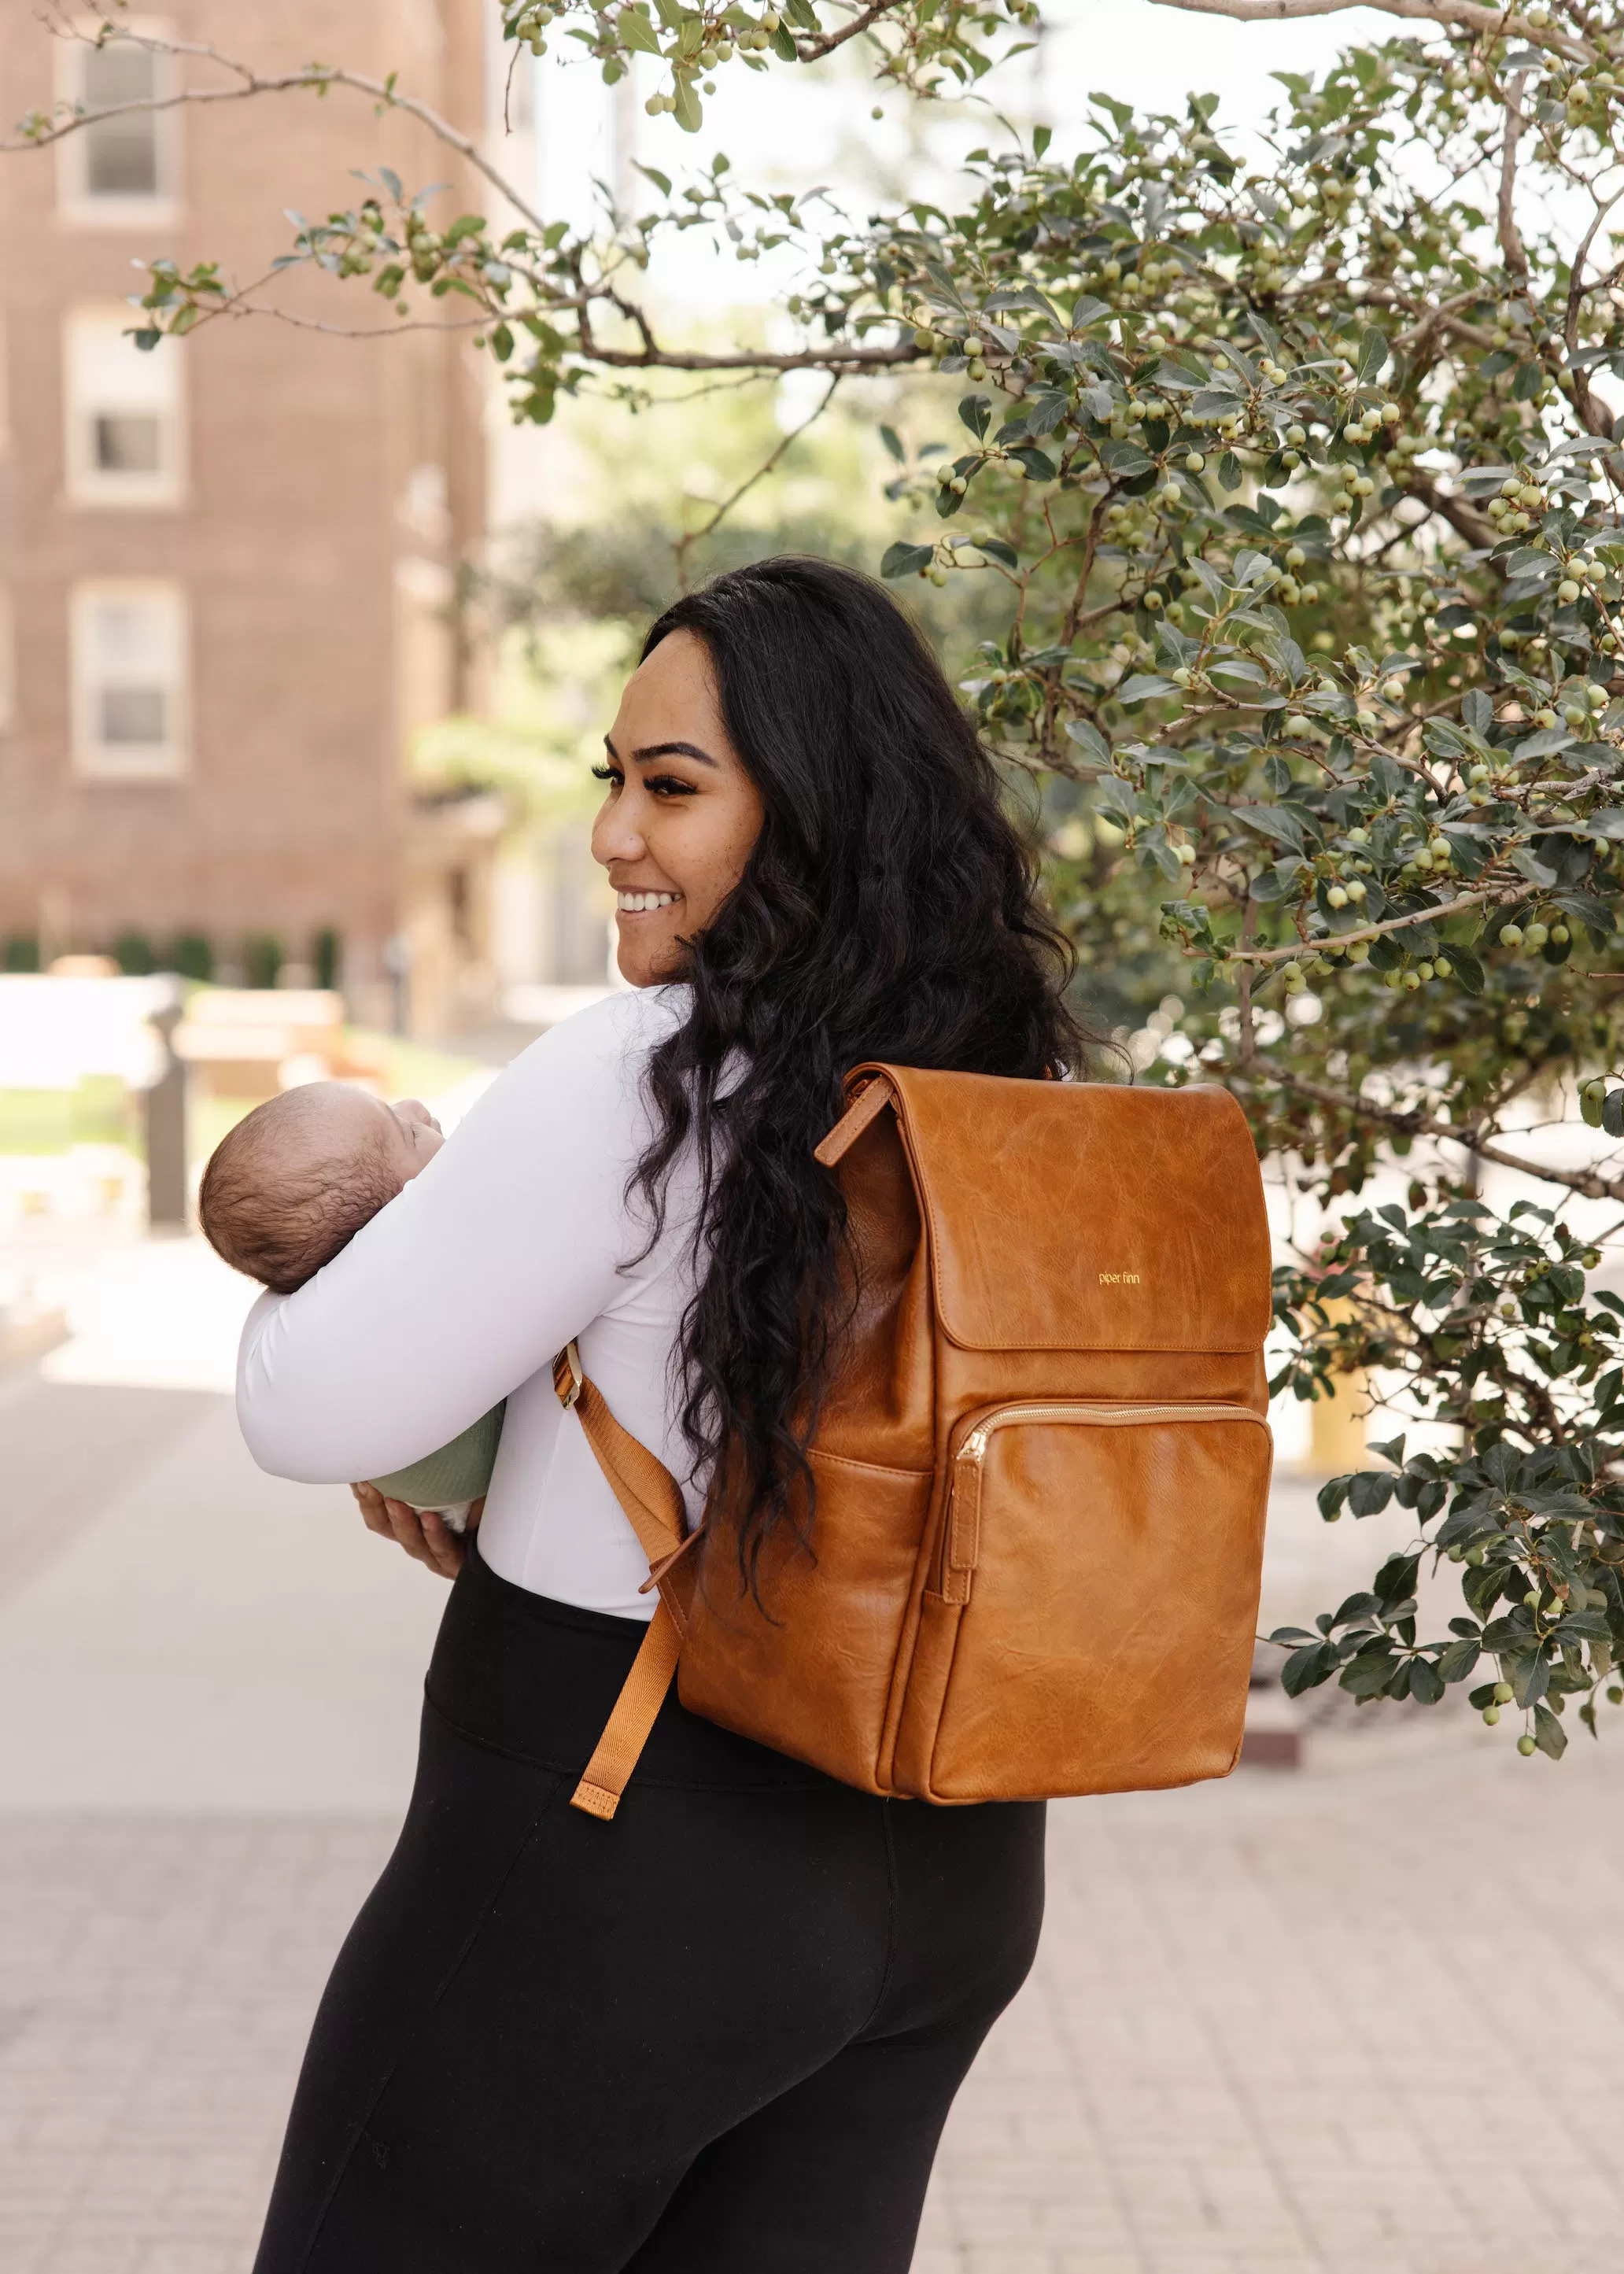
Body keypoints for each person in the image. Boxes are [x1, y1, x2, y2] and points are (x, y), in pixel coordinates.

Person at [240, 556, 1084, 2274]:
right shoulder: (1023, 1085)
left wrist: (332, 1234)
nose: (618, 833)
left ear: (817, 807)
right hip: (951, 1875)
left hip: (623, 1861)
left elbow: (308, 1402)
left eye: (674, 786)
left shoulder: (648, 1067)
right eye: (612, 780)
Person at [197, 1084, 501, 1527]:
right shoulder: (449, 1276)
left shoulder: (346, 1318)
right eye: (410, 1134)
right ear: (397, 1217)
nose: (417, 1108)